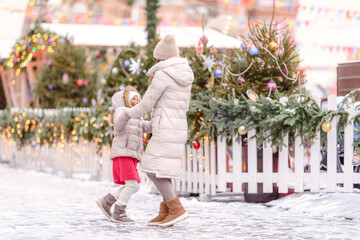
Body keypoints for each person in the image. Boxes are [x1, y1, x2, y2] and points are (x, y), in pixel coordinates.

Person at [125, 34, 194, 227]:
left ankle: (176, 208)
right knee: (161, 170)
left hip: (165, 127)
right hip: (177, 126)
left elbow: (146, 104)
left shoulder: (163, 74)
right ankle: (166, 211)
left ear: (161, 57)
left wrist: (127, 114)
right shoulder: (184, 74)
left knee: (152, 168)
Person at [96, 86, 152, 224]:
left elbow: (146, 127)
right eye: (132, 98)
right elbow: (119, 124)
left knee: (135, 186)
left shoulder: (138, 117)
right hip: (123, 153)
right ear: (126, 100)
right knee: (132, 184)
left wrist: (157, 122)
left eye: (137, 99)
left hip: (132, 155)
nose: (135, 101)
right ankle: (119, 212)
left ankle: (106, 201)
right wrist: (128, 113)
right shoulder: (122, 112)